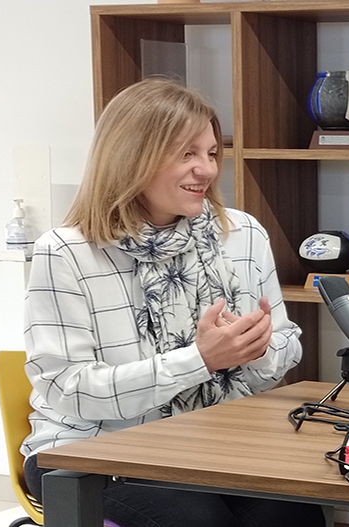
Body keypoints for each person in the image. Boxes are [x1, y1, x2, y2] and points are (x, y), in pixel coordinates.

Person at [20, 78, 325, 527]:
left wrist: (258, 350)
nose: (207, 169)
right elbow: (68, 390)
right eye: (186, 153)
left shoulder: (240, 234)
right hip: (89, 449)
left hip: (214, 441)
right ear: (130, 157)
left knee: (295, 516)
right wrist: (200, 360)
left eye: (211, 153)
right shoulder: (66, 252)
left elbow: (286, 348)